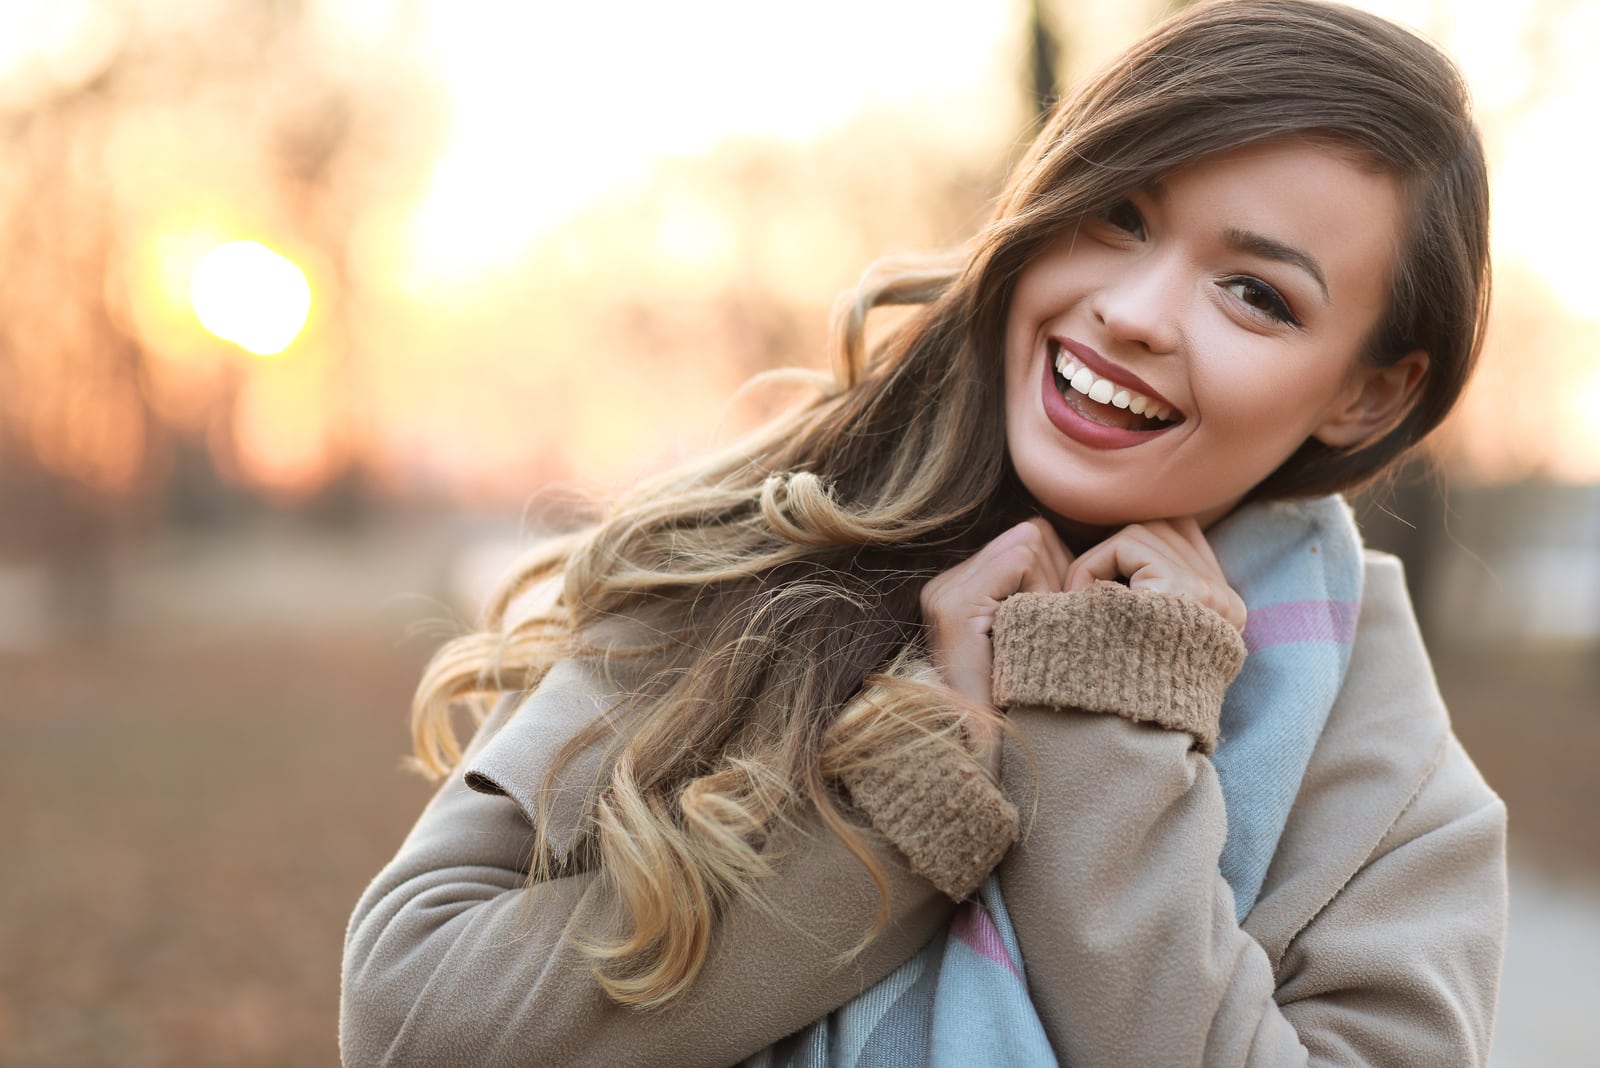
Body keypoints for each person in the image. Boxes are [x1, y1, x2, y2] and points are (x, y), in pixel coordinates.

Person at [340, 0, 1507, 1064]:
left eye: (1255, 293)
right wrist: (910, 797)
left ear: (1367, 394)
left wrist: (1103, 733)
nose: (1134, 313)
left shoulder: (1392, 799)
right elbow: (413, 1020)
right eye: (1118, 214)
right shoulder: (740, 555)